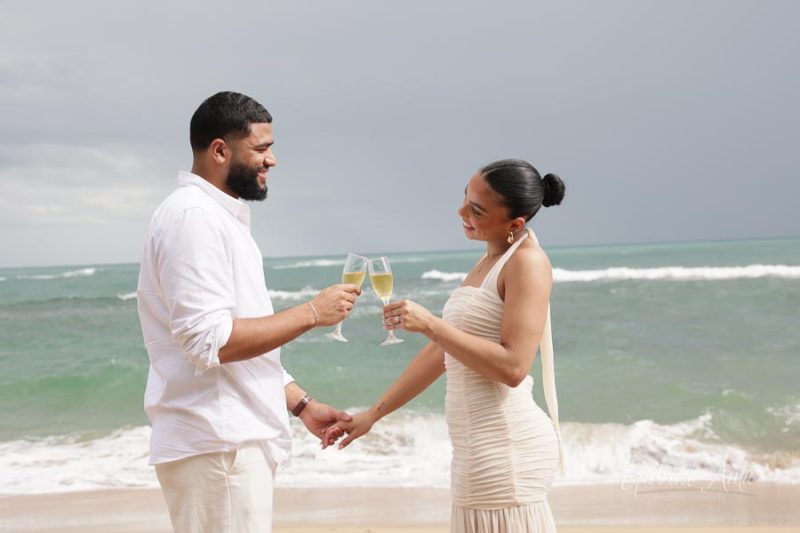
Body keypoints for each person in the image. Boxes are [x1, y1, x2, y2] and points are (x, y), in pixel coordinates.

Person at [136, 91, 359, 533]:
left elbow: (232, 342)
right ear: (220, 150)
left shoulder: (216, 217)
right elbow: (209, 341)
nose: (272, 160)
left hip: (228, 443)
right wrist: (313, 312)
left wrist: (301, 404)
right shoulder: (193, 218)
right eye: (261, 148)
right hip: (218, 446)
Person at [330, 159, 566, 532]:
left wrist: (431, 325)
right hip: (473, 453)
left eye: (477, 209)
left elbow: (514, 368)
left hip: (507, 451)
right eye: (464, 199)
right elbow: (444, 353)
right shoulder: (488, 260)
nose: (461, 212)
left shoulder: (527, 262)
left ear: (515, 225)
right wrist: (373, 414)